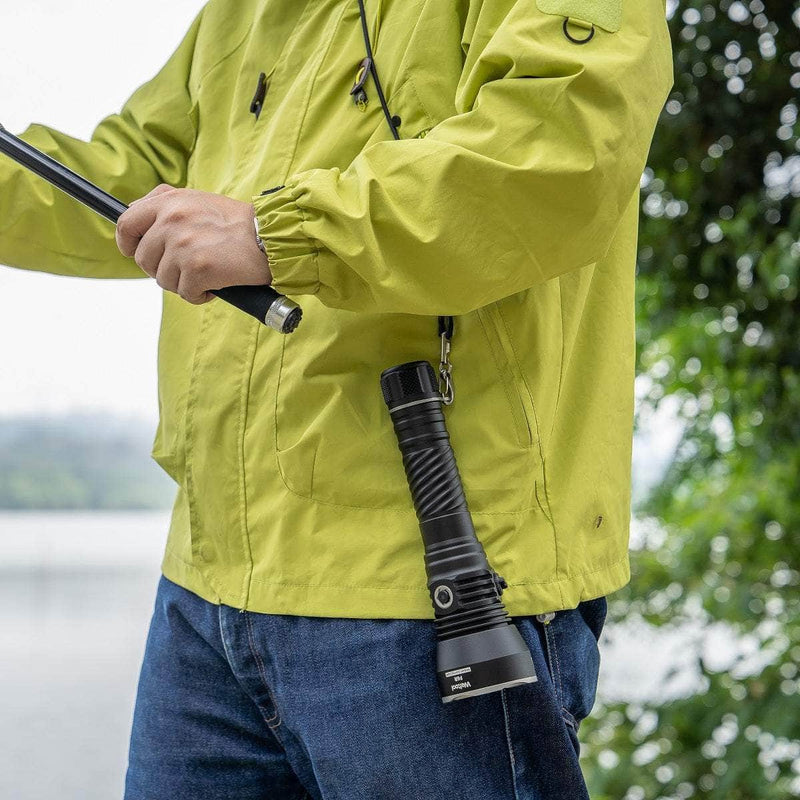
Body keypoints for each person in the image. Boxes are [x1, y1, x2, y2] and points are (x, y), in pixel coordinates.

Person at [0, 0, 673, 797]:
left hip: (439, 595)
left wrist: (274, 236)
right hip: (206, 594)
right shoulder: (243, 12)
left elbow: (557, 158)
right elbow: (125, 185)